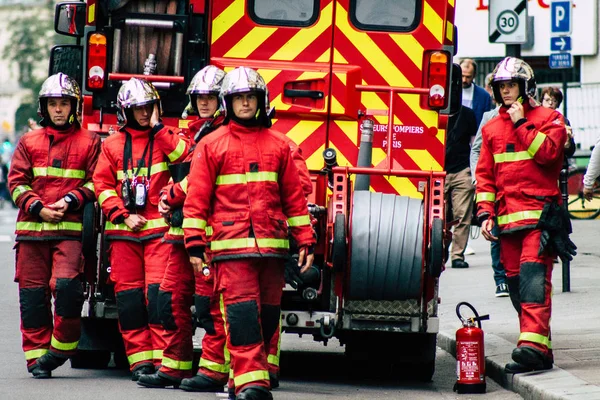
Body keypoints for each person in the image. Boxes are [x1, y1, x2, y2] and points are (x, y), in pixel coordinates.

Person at [183, 66, 316, 400]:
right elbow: (196, 201)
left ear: (261, 100)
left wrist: (305, 240)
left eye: (250, 97)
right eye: (239, 98)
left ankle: (238, 380)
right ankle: (250, 384)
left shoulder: (279, 146)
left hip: (271, 250)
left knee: (266, 319)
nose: (245, 103)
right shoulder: (211, 146)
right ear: (228, 103)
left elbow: (295, 199)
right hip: (231, 249)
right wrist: (195, 248)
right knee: (241, 316)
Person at [476, 57, 575, 374]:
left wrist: (522, 123)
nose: (506, 92)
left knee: (534, 284)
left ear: (524, 87)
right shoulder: (491, 128)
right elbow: (485, 177)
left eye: (511, 85)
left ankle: (530, 347)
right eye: (502, 86)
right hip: (507, 223)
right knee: (518, 289)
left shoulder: (551, 118)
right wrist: (485, 215)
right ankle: (540, 349)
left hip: (540, 221)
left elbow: (548, 155)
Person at [93, 78, 191, 381]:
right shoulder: (111, 145)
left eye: (149, 107)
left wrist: (160, 129)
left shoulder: (169, 137)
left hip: (158, 233)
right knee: (130, 299)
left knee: (158, 298)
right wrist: (122, 216)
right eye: (138, 108)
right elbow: (102, 185)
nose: (145, 113)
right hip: (124, 235)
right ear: (126, 111)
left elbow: (184, 158)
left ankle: (164, 362)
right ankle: (139, 362)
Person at [137, 65, 228, 390]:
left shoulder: (222, 134)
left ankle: (214, 371)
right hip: (179, 233)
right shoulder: (192, 131)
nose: (204, 103)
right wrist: (166, 197)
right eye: (199, 96)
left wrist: (171, 195)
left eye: (211, 97)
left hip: (211, 237)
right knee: (168, 300)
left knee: (209, 307)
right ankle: (174, 366)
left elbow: (190, 166)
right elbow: (178, 163)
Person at [8, 73, 101, 378]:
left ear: (74, 107)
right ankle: (37, 360)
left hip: (68, 233)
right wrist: (37, 207)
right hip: (32, 234)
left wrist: (71, 201)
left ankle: (61, 348)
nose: (58, 109)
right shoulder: (28, 142)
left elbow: (96, 181)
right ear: (43, 108)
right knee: (32, 298)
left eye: (64, 104)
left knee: (68, 291)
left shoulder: (90, 141)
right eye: (53, 104)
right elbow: (16, 182)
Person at [470, 97, 508, 297]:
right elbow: (476, 149)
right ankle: (500, 280)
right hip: (494, 186)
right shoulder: (488, 117)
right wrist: (478, 177)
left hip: (516, 187)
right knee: (496, 234)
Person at [445, 103, 477, 269]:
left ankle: (457, 255)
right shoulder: (431, 112)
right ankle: (439, 251)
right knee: (437, 217)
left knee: (462, 216)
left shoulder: (468, 114)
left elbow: (474, 146)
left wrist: (474, 171)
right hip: (438, 170)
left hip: (462, 171)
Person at [460, 58, 493, 128]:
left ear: (474, 75)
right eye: (462, 76)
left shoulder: (484, 96)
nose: (464, 80)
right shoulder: (449, 92)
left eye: (468, 77)